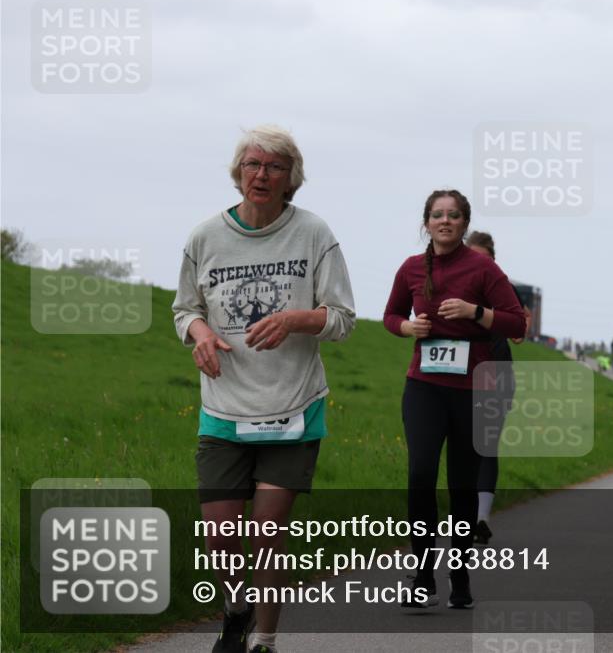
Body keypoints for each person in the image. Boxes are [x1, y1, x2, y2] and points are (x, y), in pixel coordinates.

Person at [172, 125, 356, 653]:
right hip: (224, 409)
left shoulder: (314, 234)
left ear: (290, 178)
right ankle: (237, 612)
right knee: (221, 537)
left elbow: (342, 319)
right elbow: (184, 309)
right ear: (238, 173)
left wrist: (298, 319)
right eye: (252, 164)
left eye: (274, 167)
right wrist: (200, 332)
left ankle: (265, 641)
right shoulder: (205, 237)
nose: (261, 175)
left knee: (266, 534)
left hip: (292, 408)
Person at [383, 190, 525, 609]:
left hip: (472, 391)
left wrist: (474, 312)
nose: (445, 221)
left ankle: (459, 574)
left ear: (464, 223)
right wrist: (407, 329)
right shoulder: (410, 269)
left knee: (462, 484)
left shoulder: (483, 268)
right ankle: (423, 574)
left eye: (453, 215)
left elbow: (516, 320)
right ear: (426, 223)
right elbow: (391, 315)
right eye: (437, 215)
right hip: (424, 387)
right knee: (421, 474)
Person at [464, 231, 530, 547]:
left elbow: (521, 328)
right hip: (459, 374)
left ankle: (481, 518)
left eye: (483, 259)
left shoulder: (503, 289)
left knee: (486, 445)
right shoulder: (453, 286)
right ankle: (467, 515)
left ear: (492, 260)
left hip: (496, 371)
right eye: (471, 258)